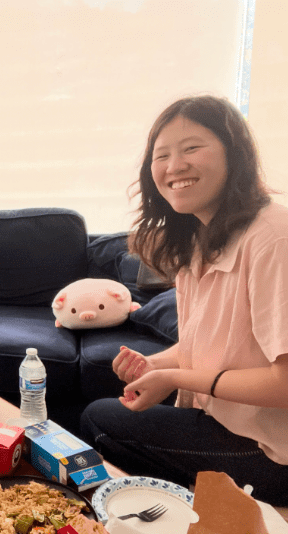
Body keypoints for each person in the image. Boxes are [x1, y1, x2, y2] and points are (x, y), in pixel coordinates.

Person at [80, 95, 288, 506]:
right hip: (226, 421)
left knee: (98, 420)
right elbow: (208, 343)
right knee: (107, 403)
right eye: (162, 155)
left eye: (192, 148)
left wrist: (175, 378)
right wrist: (155, 364)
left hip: (271, 450)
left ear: (234, 153)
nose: (174, 166)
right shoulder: (201, 237)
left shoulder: (273, 239)